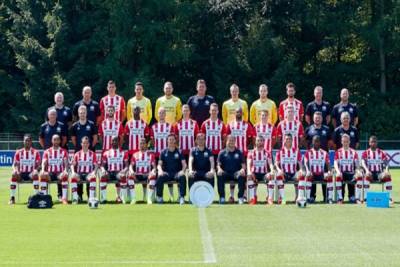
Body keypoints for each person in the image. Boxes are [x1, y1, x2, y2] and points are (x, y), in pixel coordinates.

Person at [151, 107, 175, 201]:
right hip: (157, 154)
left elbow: (172, 140)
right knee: (158, 175)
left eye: (163, 113)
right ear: (158, 115)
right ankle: (158, 195)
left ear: (165, 115)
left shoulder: (170, 126)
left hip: (168, 155)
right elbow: (152, 141)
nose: (161, 114)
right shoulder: (153, 127)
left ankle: (171, 196)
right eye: (160, 113)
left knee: (169, 173)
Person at [9, 134, 41, 205]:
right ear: (23, 141)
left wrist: (36, 170)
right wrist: (15, 170)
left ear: (31, 142)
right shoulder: (18, 152)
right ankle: (12, 198)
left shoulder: (36, 152)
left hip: (31, 174)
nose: (27, 142)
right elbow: (14, 164)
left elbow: (39, 165)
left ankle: (36, 197)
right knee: (14, 174)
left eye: (28, 141)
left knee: (35, 174)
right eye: (25, 140)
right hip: (21, 174)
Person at [156, 134, 187, 205]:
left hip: (177, 173)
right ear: (167, 141)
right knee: (160, 176)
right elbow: (159, 164)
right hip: (167, 173)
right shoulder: (163, 152)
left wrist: (182, 171)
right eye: (170, 139)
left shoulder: (179, 151)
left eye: (173, 139)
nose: (171, 141)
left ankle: (181, 197)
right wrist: (160, 171)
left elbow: (184, 164)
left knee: (183, 177)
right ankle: (159, 197)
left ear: (175, 141)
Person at [361, 136, 393, 204]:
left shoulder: (381, 152)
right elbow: (363, 162)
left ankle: (389, 198)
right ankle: (366, 198)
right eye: (372, 142)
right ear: (369, 143)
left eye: (375, 142)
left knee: (388, 176)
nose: (373, 143)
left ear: (377, 143)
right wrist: (366, 170)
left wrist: (386, 170)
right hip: (370, 173)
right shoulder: (365, 153)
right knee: (367, 176)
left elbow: (386, 163)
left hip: (379, 173)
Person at [39, 134, 69, 204]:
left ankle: (64, 198)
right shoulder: (47, 151)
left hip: (59, 173)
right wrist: (43, 170)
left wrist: (65, 170)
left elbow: (66, 163)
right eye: (54, 140)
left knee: (64, 175)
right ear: (52, 141)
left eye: (57, 140)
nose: (56, 141)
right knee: (43, 175)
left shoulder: (64, 151)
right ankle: (44, 198)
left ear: (60, 141)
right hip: (50, 173)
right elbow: (44, 162)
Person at [216, 135, 246, 204]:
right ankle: (222, 197)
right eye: (230, 140)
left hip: (236, 173)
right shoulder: (222, 152)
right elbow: (218, 165)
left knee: (242, 175)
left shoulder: (239, 152)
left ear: (235, 142)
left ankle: (240, 197)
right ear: (226, 141)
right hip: (226, 173)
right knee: (219, 175)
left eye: (233, 140)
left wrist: (242, 170)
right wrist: (219, 169)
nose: (231, 142)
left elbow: (243, 165)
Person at [274, 134, 303, 204]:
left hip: (293, 173)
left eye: (290, 139)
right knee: (278, 176)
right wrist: (279, 170)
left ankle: (298, 198)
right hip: (284, 173)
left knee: (301, 176)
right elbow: (276, 164)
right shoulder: (280, 151)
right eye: (287, 139)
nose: (288, 140)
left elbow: (300, 163)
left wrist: (301, 170)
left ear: (292, 140)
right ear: (284, 140)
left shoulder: (296, 151)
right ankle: (283, 198)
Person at [100, 136, 129, 204]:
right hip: (110, 172)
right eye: (113, 141)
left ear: (118, 142)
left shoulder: (123, 153)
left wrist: (124, 171)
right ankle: (103, 198)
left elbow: (127, 166)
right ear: (110, 142)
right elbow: (102, 166)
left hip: (119, 172)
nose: (114, 142)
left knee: (122, 176)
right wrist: (103, 170)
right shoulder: (106, 153)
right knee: (103, 176)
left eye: (116, 140)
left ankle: (122, 198)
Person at [246, 136, 274, 205]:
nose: (260, 142)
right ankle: (252, 198)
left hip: (263, 174)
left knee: (271, 176)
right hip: (254, 173)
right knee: (249, 177)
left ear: (264, 142)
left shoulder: (267, 152)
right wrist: (249, 172)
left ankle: (269, 198)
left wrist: (272, 171)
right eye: (258, 140)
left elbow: (270, 163)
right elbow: (248, 163)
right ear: (255, 142)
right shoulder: (251, 152)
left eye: (261, 141)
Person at [334, 134, 361, 204]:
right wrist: (337, 171)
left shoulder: (354, 152)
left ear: (349, 142)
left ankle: (356, 197)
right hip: (342, 173)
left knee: (359, 176)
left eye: (347, 141)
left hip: (351, 173)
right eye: (344, 141)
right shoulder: (338, 152)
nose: (345, 143)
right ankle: (340, 198)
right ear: (341, 142)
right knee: (338, 176)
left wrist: (357, 172)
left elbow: (357, 165)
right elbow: (335, 163)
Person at [304, 136, 331, 203]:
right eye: (315, 141)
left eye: (317, 141)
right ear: (312, 142)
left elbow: (328, 164)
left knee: (328, 176)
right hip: (312, 173)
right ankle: (311, 197)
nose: (316, 143)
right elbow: (305, 163)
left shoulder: (324, 153)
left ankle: (327, 197)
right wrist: (307, 171)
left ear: (320, 142)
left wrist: (329, 171)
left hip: (321, 173)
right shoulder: (308, 152)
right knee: (309, 176)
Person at [129, 138, 157, 204]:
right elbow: (130, 166)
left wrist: (153, 171)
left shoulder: (151, 155)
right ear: (139, 145)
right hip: (138, 174)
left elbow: (154, 167)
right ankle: (133, 199)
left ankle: (149, 198)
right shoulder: (135, 155)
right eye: (141, 144)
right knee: (130, 176)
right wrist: (131, 171)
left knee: (153, 176)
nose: (142, 145)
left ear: (146, 145)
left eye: (143, 143)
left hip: (147, 174)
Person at [70, 136, 98, 203]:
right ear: (81, 144)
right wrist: (73, 172)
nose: (85, 145)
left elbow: (96, 165)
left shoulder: (92, 154)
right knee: (73, 178)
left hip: (88, 174)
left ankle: (91, 198)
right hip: (79, 174)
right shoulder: (77, 154)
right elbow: (72, 165)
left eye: (86, 143)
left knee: (92, 178)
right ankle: (75, 198)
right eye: (84, 143)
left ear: (89, 144)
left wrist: (94, 172)